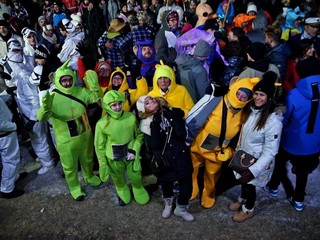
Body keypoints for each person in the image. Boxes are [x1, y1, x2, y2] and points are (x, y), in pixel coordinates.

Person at [190, 76, 260, 209]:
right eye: (238, 93)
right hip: (198, 145)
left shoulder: (244, 113)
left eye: (244, 96)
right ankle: (192, 186)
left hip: (217, 151)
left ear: (249, 99)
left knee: (212, 174)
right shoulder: (217, 100)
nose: (239, 97)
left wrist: (230, 151)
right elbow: (197, 115)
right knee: (192, 167)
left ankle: (208, 193)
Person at [36, 60, 102, 201]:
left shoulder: (80, 91)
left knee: (88, 160)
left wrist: (95, 87)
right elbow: (41, 118)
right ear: (57, 80)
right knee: (70, 166)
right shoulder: (52, 96)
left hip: (85, 135)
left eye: (69, 79)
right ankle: (74, 186)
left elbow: (96, 98)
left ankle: (89, 176)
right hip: (66, 140)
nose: (66, 83)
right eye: (63, 80)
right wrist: (45, 108)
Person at [265, 57, 320, 212]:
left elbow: (287, 117)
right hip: (315, 141)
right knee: (303, 172)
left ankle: (273, 186)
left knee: (280, 162)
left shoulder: (294, 94)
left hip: (293, 139)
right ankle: (299, 199)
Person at [229, 71, 283, 222]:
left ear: (269, 98)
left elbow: (271, 151)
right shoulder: (250, 110)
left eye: (262, 95)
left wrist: (254, 170)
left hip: (257, 162)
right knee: (243, 182)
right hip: (244, 156)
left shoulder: (273, 121)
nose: (258, 98)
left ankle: (248, 209)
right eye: (256, 93)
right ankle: (242, 199)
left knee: (250, 186)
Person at [136, 95, 194, 221]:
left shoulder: (171, 112)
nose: (151, 101)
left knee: (187, 188)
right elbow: (155, 144)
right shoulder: (146, 123)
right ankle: (168, 204)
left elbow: (182, 134)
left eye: (151, 99)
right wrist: (156, 123)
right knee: (166, 186)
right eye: (147, 102)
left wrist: (173, 118)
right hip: (164, 161)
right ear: (143, 109)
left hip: (181, 156)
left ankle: (181, 209)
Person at [94, 90, 149, 206]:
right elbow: (99, 146)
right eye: (114, 105)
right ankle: (122, 188)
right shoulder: (101, 124)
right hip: (113, 158)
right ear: (107, 106)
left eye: (119, 103)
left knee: (136, 175)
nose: (118, 107)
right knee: (118, 178)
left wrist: (134, 149)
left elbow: (139, 136)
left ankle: (138, 188)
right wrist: (102, 164)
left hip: (131, 154)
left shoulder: (131, 117)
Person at [0, 82, 24, 199]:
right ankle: (7, 189)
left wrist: (6, 93)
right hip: (5, 134)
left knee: (12, 159)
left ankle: (14, 177)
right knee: (10, 161)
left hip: (7, 133)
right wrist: (15, 126)